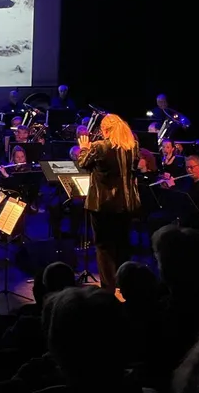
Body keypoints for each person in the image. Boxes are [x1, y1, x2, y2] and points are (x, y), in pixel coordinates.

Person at [77, 113, 141, 291]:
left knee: (104, 247)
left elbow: (83, 163)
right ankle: (125, 285)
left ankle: (108, 288)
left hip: (103, 205)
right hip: (127, 203)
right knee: (122, 243)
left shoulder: (99, 147)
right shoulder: (133, 146)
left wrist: (83, 147)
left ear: (105, 129)